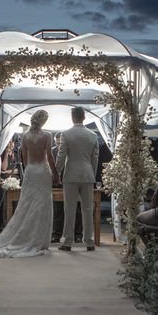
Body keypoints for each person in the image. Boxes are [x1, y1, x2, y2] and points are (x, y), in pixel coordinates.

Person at [0, 110, 59, 258]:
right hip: (43, 171)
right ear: (43, 121)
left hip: (31, 171)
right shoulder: (47, 135)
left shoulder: (25, 136)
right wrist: (56, 174)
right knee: (42, 205)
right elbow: (50, 156)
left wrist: (28, 171)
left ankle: (24, 236)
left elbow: (25, 158)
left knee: (26, 204)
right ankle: (39, 241)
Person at [57, 107, 100, 252]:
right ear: (84, 117)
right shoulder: (93, 135)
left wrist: (57, 172)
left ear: (72, 117)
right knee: (88, 209)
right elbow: (95, 158)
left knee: (69, 209)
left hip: (71, 175)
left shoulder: (66, 134)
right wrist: (92, 174)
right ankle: (89, 242)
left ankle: (68, 241)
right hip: (87, 174)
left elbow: (61, 155)